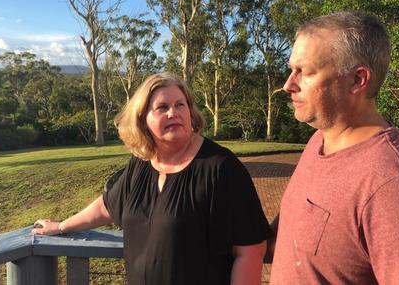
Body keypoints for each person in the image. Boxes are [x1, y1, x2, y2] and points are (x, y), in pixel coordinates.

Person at [33, 73, 272, 285]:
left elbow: (250, 251)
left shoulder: (220, 167)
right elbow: (107, 206)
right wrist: (61, 226)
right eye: (162, 107)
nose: (173, 112)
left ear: (191, 112)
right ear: (143, 120)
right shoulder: (142, 163)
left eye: (180, 104)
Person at [268, 11, 399, 284]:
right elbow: (287, 240)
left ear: (357, 80)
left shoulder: (394, 183)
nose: (288, 84)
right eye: (292, 70)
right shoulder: (319, 141)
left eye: (305, 72)